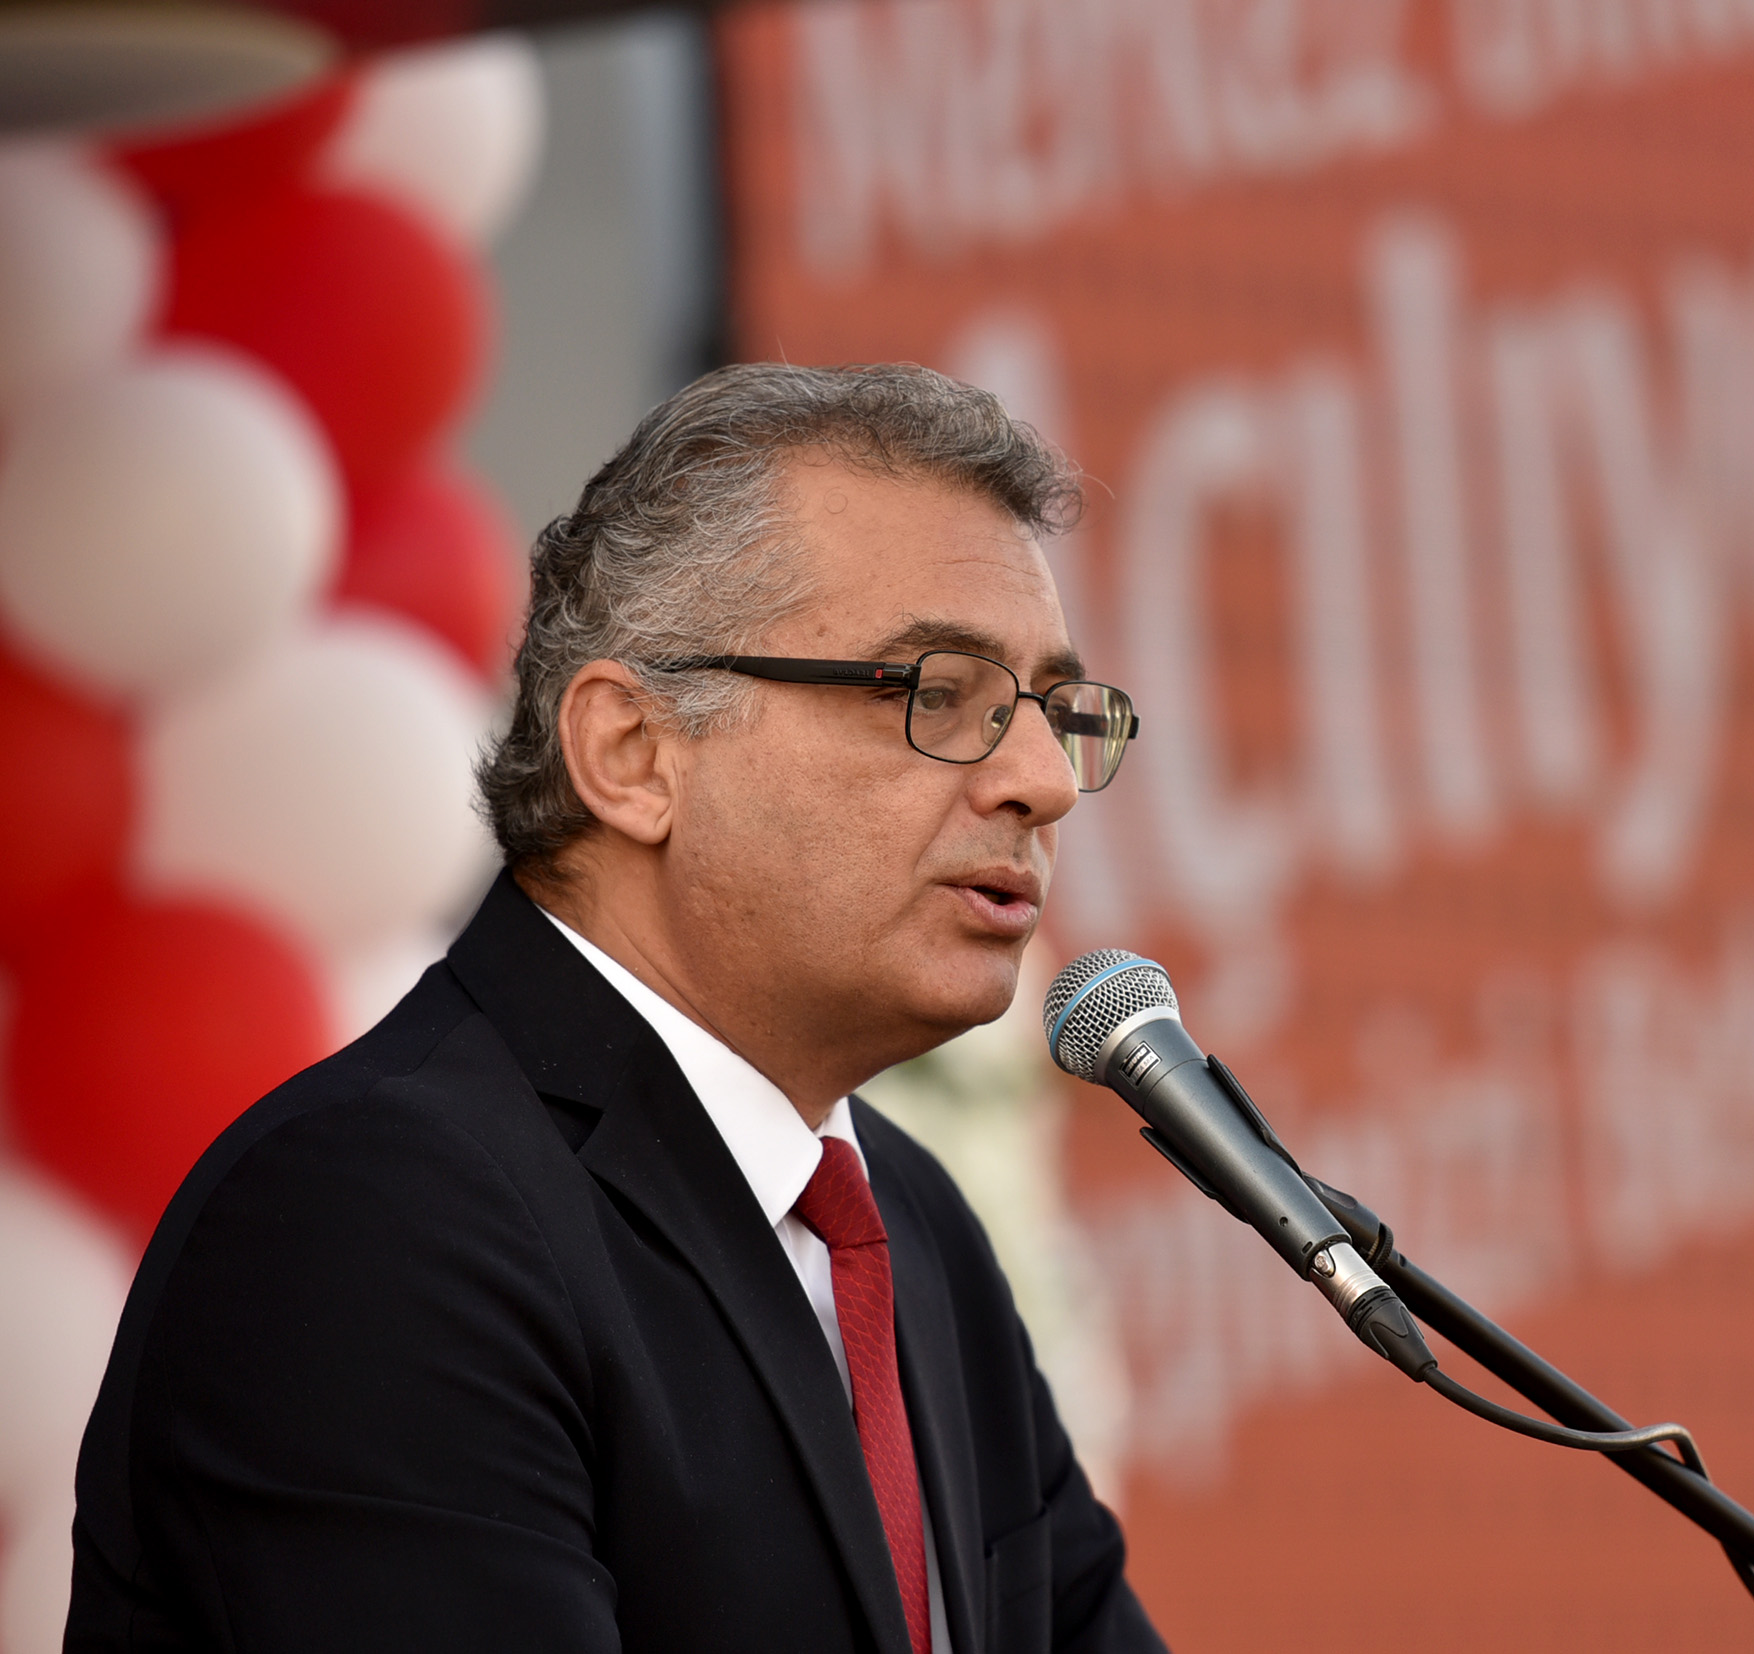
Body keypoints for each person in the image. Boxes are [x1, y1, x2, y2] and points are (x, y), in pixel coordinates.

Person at [66, 363, 1167, 1654]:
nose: (1043, 780)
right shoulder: (378, 1215)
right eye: (937, 692)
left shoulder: (913, 1227)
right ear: (633, 754)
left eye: (1054, 711)